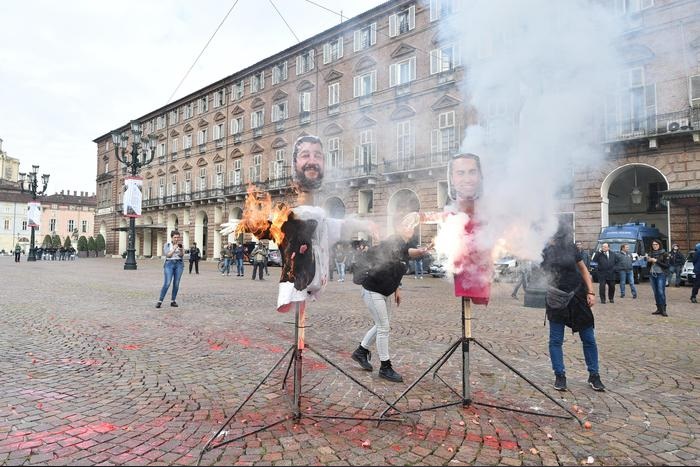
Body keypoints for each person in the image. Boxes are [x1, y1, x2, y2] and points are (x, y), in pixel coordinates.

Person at [351, 214, 428, 382]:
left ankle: (361, 351)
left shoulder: (405, 245)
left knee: (381, 325)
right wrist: (419, 251)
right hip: (373, 289)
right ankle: (385, 367)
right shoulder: (393, 241)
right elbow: (405, 252)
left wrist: (397, 289)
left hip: (385, 291)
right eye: (407, 225)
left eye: (412, 226)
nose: (410, 228)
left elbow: (396, 266)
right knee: (383, 327)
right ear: (399, 227)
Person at [541, 221, 605, 392]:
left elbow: (583, 270)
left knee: (588, 338)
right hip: (556, 298)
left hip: (578, 296)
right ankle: (560, 375)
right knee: (556, 340)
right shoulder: (543, 250)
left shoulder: (571, 248)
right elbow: (540, 272)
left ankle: (594, 375)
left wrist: (591, 292)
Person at [157, 230, 184, 308]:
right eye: (175, 237)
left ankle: (173, 301)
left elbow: (181, 255)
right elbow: (168, 255)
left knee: (176, 283)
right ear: (171, 238)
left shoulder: (181, 245)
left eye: (178, 237)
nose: (176, 239)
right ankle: (160, 301)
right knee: (167, 282)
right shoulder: (167, 245)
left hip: (179, 264)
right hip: (169, 264)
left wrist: (181, 250)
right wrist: (174, 249)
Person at [647, 239, 670, 316]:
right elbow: (648, 266)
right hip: (652, 274)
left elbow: (667, 265)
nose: (655, 246)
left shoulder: (665, 254)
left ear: (659, 245)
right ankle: (658, 309)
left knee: (661, 292)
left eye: (656, 244)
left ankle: (663, 310)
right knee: (656, 292)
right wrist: (648, 260)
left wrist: (656, 261)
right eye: (653, 245)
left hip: (661, 274)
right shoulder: (650, 253)